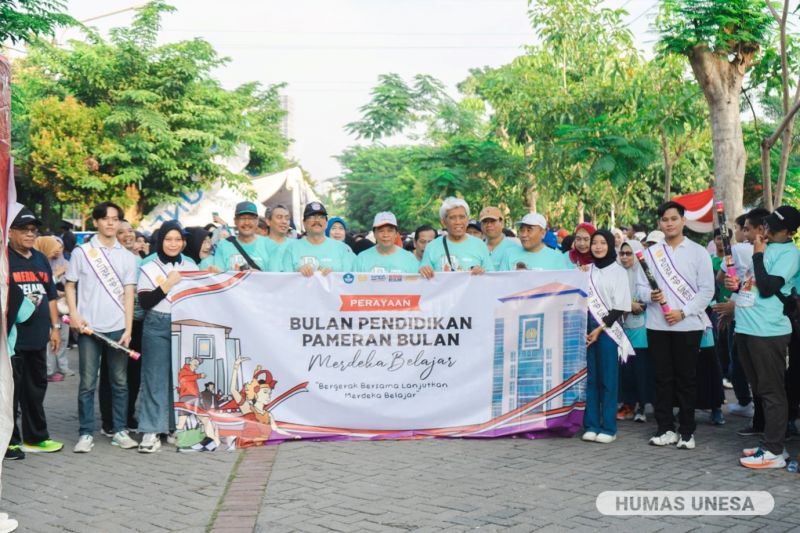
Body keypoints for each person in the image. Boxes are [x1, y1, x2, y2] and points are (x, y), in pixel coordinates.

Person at [726, 206, 800, 469]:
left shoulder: (790, 254)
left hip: (768, 331)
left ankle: (775, 451)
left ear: (789, 232)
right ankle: (769, 443)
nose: (766, 230)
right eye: (767, 224)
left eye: (773, 228)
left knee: (771, 391)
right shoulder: (765, 247)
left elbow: (768, 288)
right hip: (746, 327)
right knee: (759, 389)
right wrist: (735, 286)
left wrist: (758, 255)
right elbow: (753, 284)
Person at [637, 201, 714, 450]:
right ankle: (665, 428)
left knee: (686, 379)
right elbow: (640, 287)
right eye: (664, 219)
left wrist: (684, 312)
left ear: (683, 220)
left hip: (688, 325)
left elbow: (707, 291)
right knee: (662, 378)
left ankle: (687, 431)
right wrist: (651, 297)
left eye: (673, 218)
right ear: (659, 223)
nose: (668, 223)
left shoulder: (698, 252)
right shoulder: (651, 253)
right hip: (657, 325)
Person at [65, 201, 139, 453]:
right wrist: (74, 316)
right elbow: (70, 285)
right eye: (106, 218)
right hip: (89, 328)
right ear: (96, 221)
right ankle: (85, 433)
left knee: (119, 382)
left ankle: (119, 430)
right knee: (87, 382)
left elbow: (129, 293)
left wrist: (128, 329)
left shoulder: (127, 257)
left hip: (118, 327)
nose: (111, 222)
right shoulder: (82, 252)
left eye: (115, 218)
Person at [136, 221, 199, 453]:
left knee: (179, 378)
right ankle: (151, 430)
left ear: (183, 242)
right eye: (168, 239)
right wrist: (167, 284)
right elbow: (144, 302)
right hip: (157, 323)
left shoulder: (191, 265)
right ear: (160, 241)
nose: (173, 244)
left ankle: (173, 427)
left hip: (184, 324)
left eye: (178, 240)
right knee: (155, 378)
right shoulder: (149, 265)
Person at [7, 207, 64, 455]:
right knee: (11, 391)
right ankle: (9, 440)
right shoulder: (4, 259)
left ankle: (36, 437)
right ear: (10, 232)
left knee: (36, 388)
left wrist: (55, 328)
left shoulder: (40, 259)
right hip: (12, 338)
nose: (30, 235)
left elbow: (51, 296)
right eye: (24, 230)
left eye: (33, 231)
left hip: (39, 336)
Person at [582, 230, 631, 444]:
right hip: (586, 329)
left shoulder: (618, 271)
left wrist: (599, 329)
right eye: (595, 243)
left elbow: (620, 307)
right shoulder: (586, 270)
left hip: (608, 331)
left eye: (603, 243)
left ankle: (609, 427)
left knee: (608, 380)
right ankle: (591, 424)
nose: (598, 247)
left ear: (610, 245)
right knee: (591, 379)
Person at [617, 240, 653, 423]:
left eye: (629, 253)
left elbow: (651, 298)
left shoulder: (646, 274)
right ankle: (628, 404)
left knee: (642, 370)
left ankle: (642, 406)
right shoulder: (617, 274)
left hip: (643, 330)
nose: (624, 257)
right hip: (623, 329)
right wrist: (627, 305)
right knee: (627, 370)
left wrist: (634, 305)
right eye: (622, 253)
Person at [419, 197, 494, 277]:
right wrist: (423, 270)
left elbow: (491, 277)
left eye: (462, 217)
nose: (458, 222)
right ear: (443, 222)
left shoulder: (480, 245)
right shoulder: (432, 247)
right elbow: (423, 275)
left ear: (467, 220)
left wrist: (481, 272)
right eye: (452, 218)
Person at [34, 236, 73, 381]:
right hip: (43, 308)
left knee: (62, 337)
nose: (56, 252)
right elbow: (44, 286)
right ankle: (48, 370)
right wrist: (57, 274)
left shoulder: (66, 263)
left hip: (63, 307)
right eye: (53, 249)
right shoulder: (36, 263)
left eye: (60, 248)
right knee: (48, 340)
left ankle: (61, 368)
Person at [280, 202, 354, 274]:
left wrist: (333, 277)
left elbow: (351, 279)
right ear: (304, 223)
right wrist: (297, 273)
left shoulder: (341, 248)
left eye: (321, 217)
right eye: (312, 217)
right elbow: (285, 281)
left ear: (326, 223)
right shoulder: (292, 248)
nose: (317, 220)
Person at [212, 201, 276, 272]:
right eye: (242, 218)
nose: (246, 223)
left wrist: (258, 275)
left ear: (257, 221)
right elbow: (219, 276)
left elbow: (276, 278)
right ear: (235, 221)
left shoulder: (269, 245)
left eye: (251, 218)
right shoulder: (223, 245)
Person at [499, 213, 572, 271]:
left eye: (529, 230)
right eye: (522, 230)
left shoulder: (557, 258)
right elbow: (501, 284)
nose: (524, 235)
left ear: (543, 233)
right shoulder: (509, 254)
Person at [353, 212, 420, 273]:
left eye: (390, 231)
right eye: (381, 231)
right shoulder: (362, 258)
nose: (385, 235)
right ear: (374, 234)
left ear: (396, 234)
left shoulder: (409, 259)